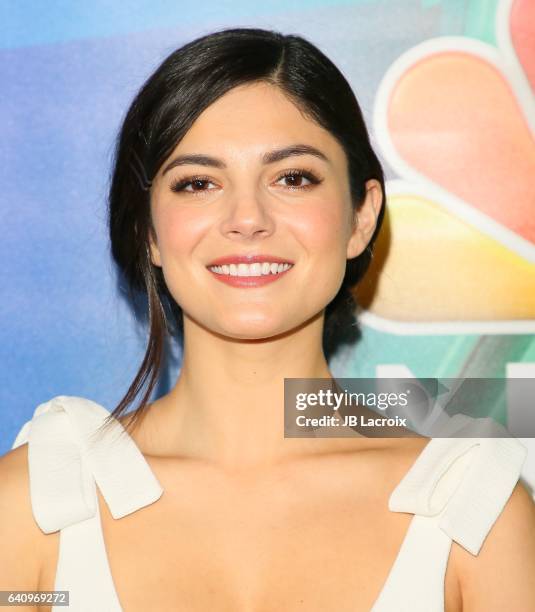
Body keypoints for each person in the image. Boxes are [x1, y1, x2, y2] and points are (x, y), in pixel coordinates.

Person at [1, 27, 535, 612]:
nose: (247, 217)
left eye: (293, 177)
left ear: (362, 215)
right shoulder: (40, 505)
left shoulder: (472, 513)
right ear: (147, 233)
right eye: (199, 183)